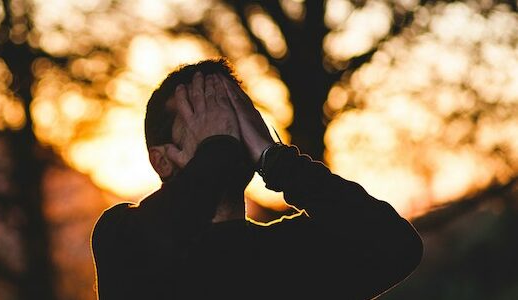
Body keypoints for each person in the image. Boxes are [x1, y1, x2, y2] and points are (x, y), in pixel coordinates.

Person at [91, 59, 423, 299]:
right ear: (161, 161)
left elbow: (397, 245)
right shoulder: (123, 237)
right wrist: (217, 150)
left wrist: (275, 159)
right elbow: (165, 233)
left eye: (234, 114)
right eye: (207, 120)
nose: (227, 130)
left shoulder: (294, 252)